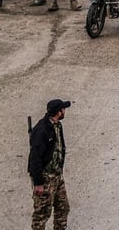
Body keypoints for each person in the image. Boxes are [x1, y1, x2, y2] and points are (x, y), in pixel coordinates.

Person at [29, 98, 72, 230]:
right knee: (41, 215)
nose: (65, 111)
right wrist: (38, 183)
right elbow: (34, 158)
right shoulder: (41, 130)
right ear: (59, 112)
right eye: (63, 109)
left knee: (63, 208)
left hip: (57, 177)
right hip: (45, 179)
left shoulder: (57, 125)